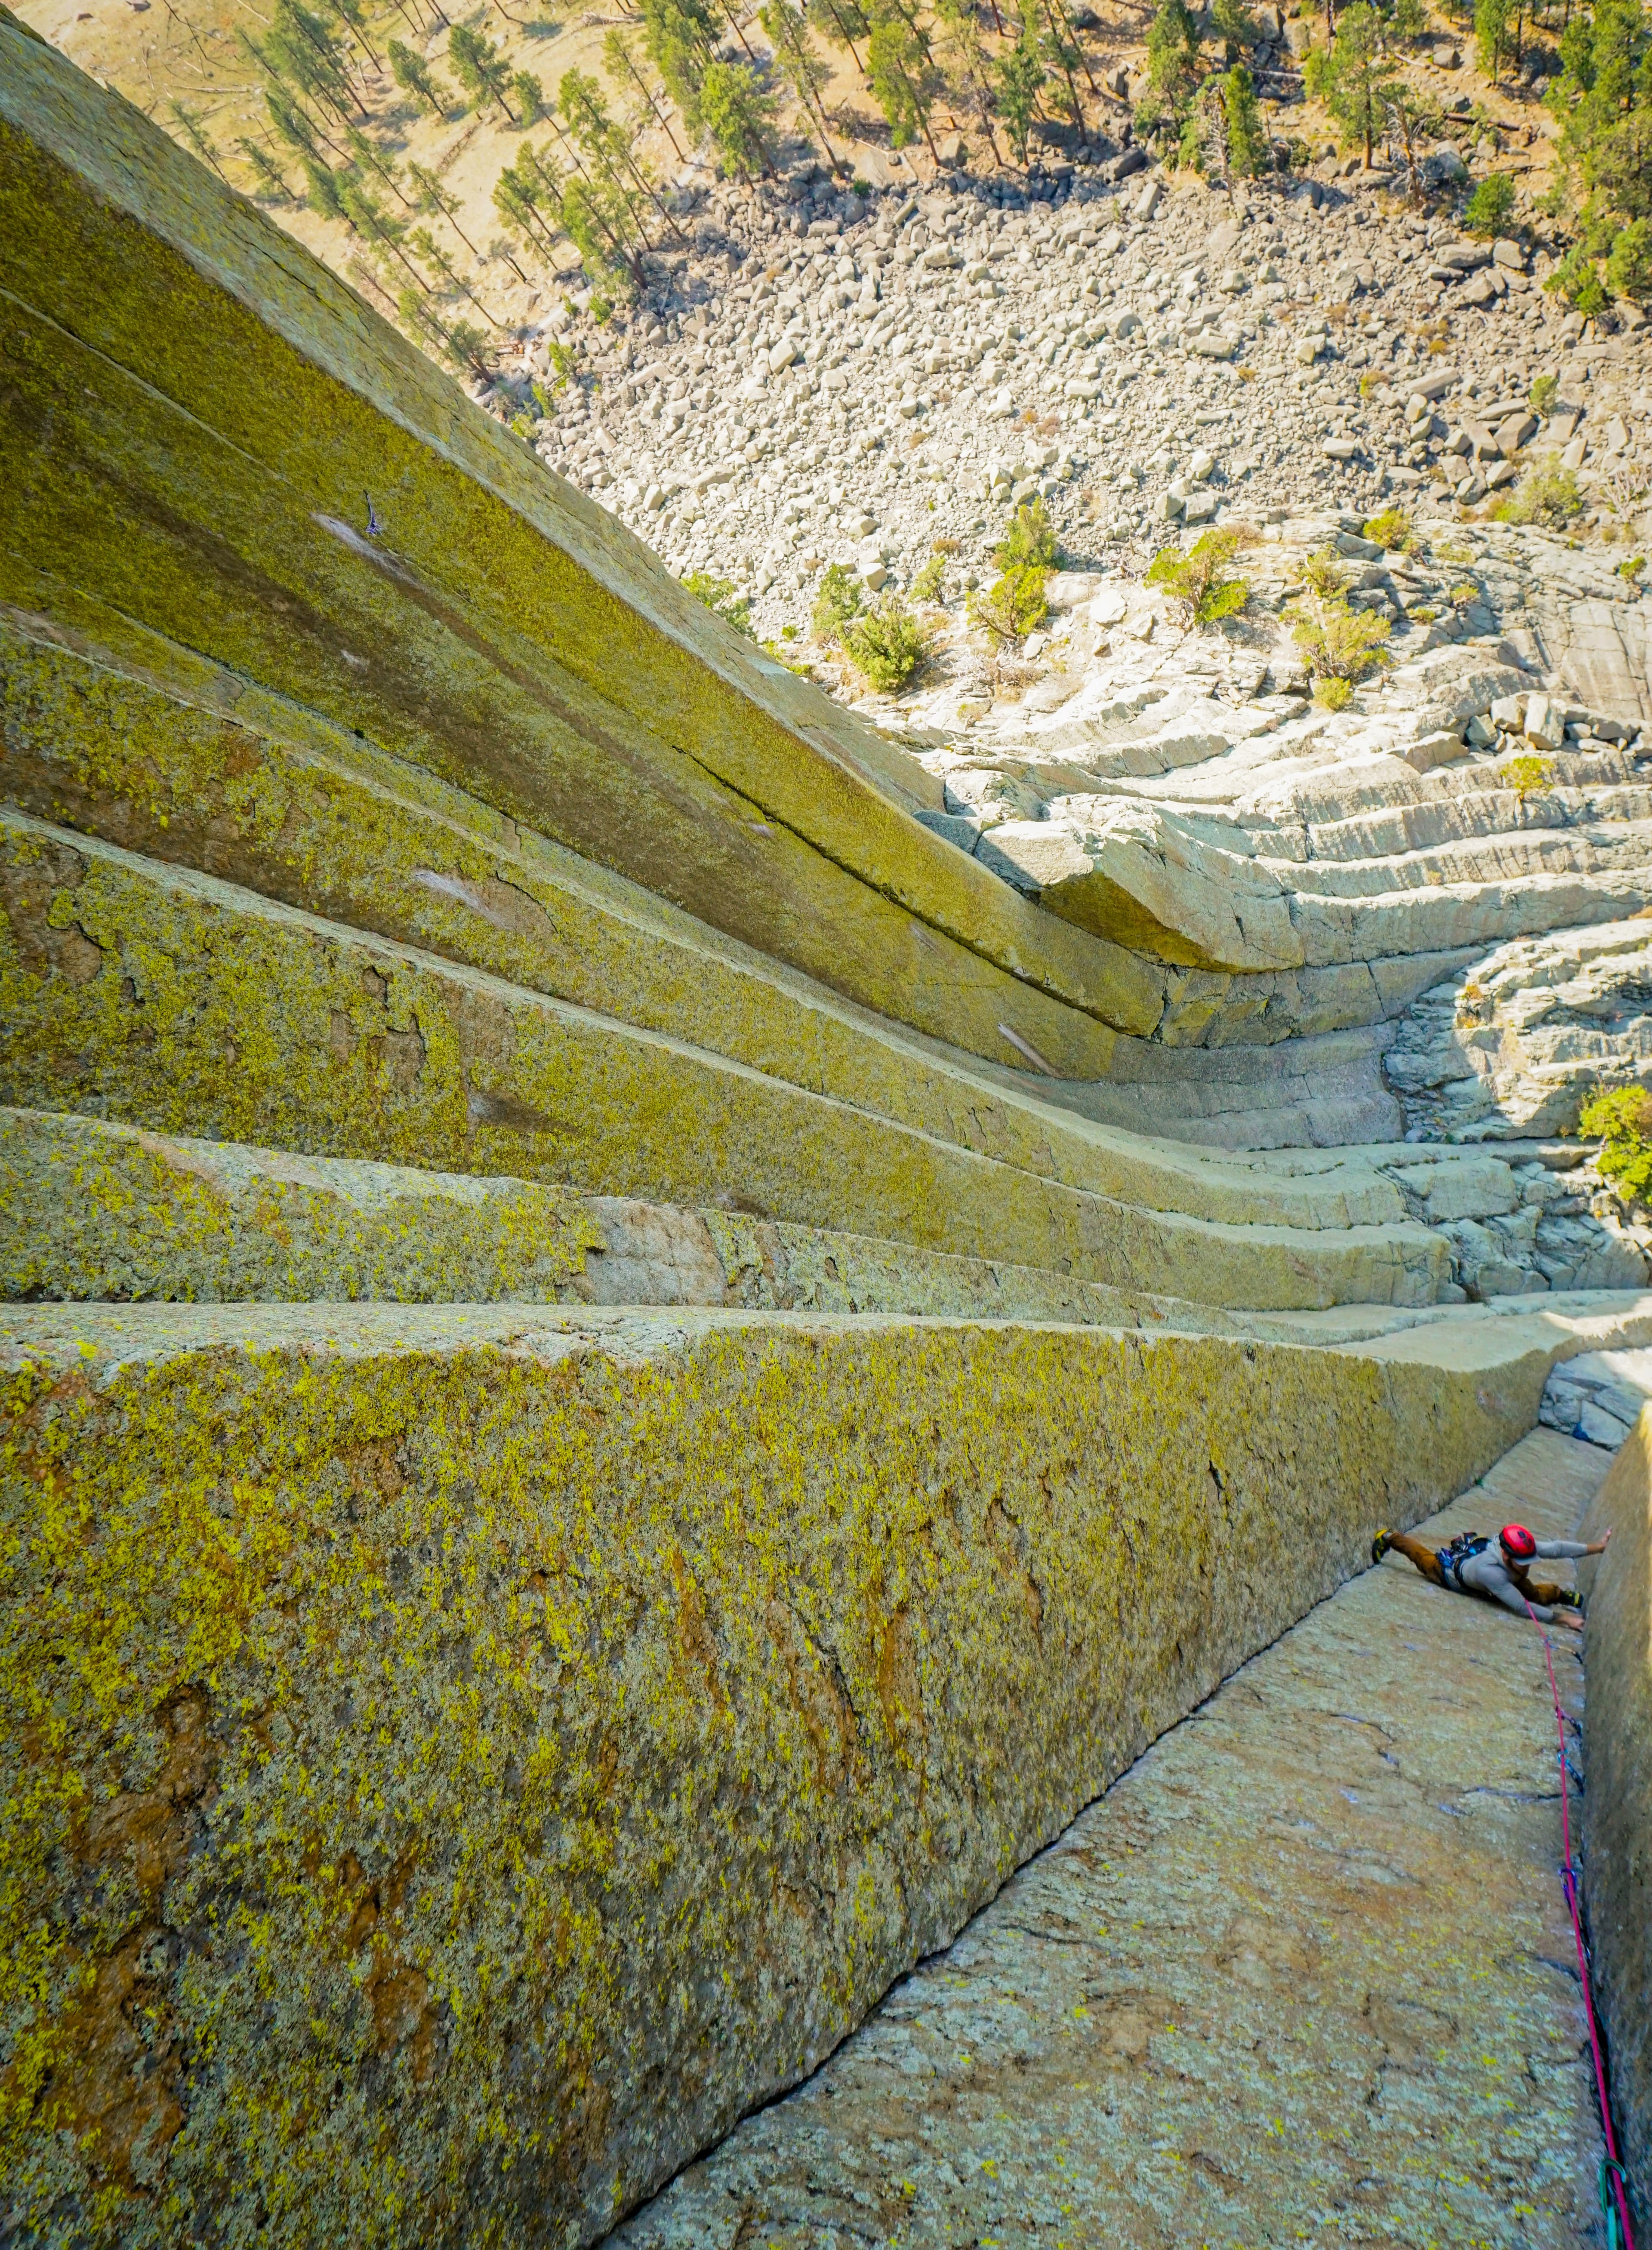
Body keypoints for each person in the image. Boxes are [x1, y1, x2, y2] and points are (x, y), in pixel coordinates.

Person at [1370, 1520, 1612, 1632]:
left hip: (1504, 1575)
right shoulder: (1491, 1572)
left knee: (1537, 1594)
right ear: (1507, 1557)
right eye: (1524, 1563)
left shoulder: (1521, 1549)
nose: (1529, 1566)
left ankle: (1561, 1595)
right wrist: (1565, 1621)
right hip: (1451, 1575)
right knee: (1422, 1558)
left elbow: (1558, 1549)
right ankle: (1389, 1536)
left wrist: (1598, 1548)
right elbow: (1521, 1607)